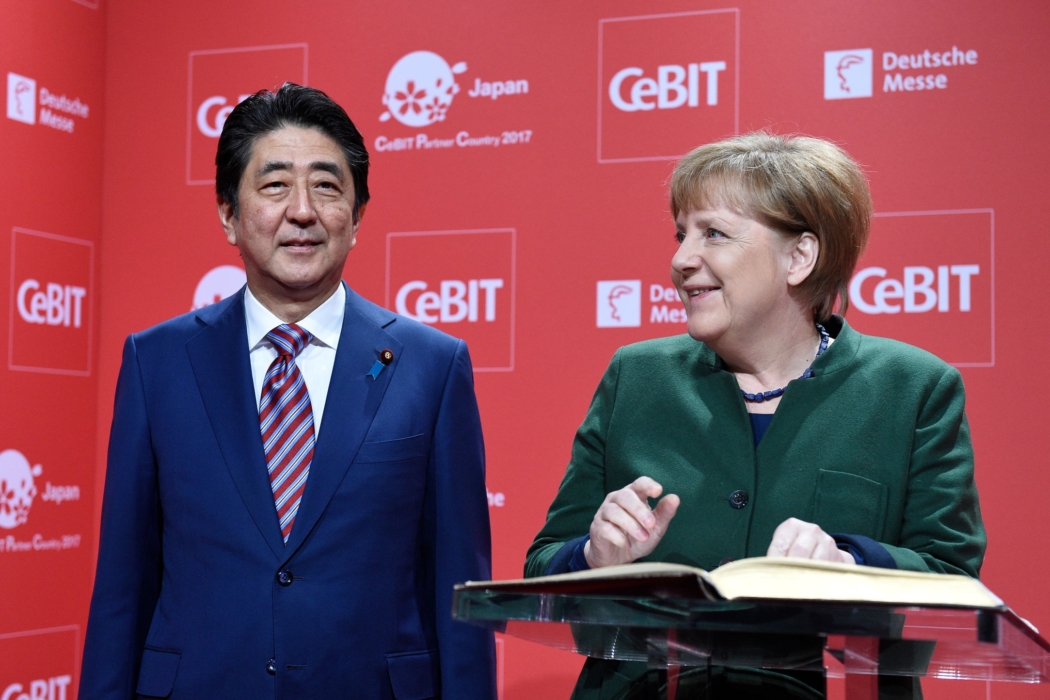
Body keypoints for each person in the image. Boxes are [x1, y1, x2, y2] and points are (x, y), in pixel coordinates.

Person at [525, 132, 985, 699]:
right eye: (681, 234)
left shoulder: (912, 389)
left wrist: (849, 562)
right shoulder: (636, 377)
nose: (680, 260)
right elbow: (544, 564)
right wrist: (594, 554)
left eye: (713, 234)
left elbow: (956, 588)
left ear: (799, 257)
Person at [80, 84, 496, 699]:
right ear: (229, 213)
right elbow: (122, 585)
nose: (302, 210)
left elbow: (460, 593)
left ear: (356, 217)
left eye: (327, 186)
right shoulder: (157, 362)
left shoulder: (432, 366)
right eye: (275, 185)